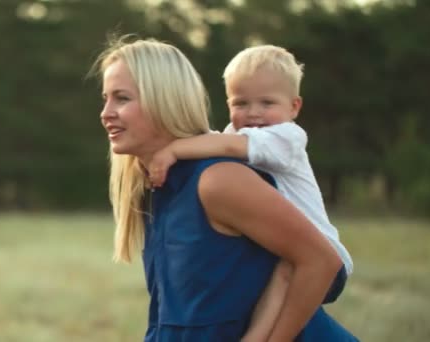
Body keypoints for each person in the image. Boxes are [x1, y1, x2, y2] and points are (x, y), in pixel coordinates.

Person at [93, 35, 358, 341]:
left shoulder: (216, 179)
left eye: (122, 98)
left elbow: (322, 261)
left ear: (163, 99)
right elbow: (181, 317)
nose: (106, 112)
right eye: (106, 98)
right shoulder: (156, 187)